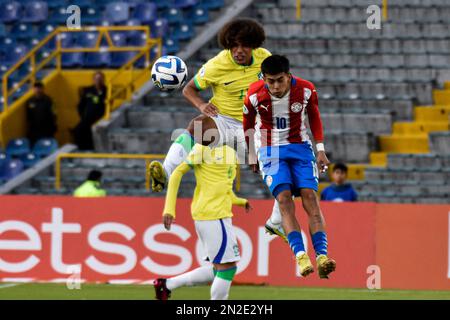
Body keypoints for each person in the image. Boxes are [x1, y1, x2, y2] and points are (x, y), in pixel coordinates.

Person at [149, 18, 286, 243]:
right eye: (233, 46)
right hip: (223, 121)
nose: (238, 51)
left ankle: (275, 221)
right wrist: (202, 105)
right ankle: (164, 173)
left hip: (254, 125)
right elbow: (189, 89)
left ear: (254, 45)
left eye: (244, 45)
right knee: (197, 125)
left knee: (281, 171)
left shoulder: (264, 58)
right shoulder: (216, 65)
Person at [243, 55, 336, 279]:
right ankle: (301, 255)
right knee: (284, 198)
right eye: (270, 81)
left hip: (300, 147)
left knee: (310, 197)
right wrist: (251, 153)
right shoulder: (254, 94)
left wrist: (320, 149)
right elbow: (248, 124)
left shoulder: (306, 90)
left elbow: (314, 116)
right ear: (264, 79)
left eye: (280, 80)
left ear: (289, 75)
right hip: (270, 149)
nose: (275, 86)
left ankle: (322, 256)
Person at [154, 145, 252, 300]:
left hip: (219, 215)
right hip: (212, 215)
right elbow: (177, 172)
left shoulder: (231, 152)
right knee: (228, 268)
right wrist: (169, 209)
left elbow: (224, 187)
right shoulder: (204, 147)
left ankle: (166, 285)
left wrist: (240, 201)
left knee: (219, 269)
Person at [73, 71, 107, 150]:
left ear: (103, 80)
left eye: (100, 78)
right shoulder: (87, 90)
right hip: (88, 118)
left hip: (100, 119)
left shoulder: (107, 90)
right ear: (93, 80)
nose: (98, 80)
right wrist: (83, 116)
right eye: (96, 78)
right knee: (78, 130)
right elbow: (80, 105)